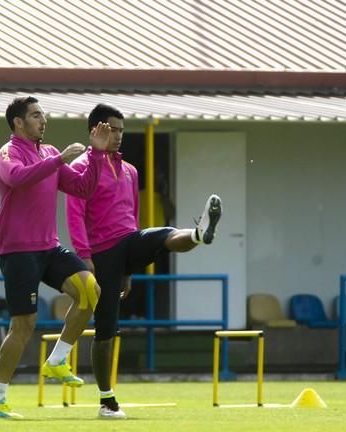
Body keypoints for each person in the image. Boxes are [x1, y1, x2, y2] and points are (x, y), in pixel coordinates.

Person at [65, 103, 222, 419]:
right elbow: (74, 214)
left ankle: (198, 233)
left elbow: (132, 216)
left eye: (122, 130)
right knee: (106, 329)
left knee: (162, 234)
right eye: (112, 129)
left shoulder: (130, 170)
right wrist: (85, 257)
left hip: (129, 243)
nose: (119, 136)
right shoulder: (81, 167)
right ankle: (106, 400)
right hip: (102, 254)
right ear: (95, 130)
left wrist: (130, 270)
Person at [0, 96, 111, 419]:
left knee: (89, 289)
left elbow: (82, 188)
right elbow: (17, 178)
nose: (44, 120)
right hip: (17, 249)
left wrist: (96, 154)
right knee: (24, 325)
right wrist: (58, 161)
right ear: (18, 123)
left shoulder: (50, 152)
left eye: (43, 114)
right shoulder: (8, 152)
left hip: (48, 247)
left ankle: (57, 359)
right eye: (36, 115)